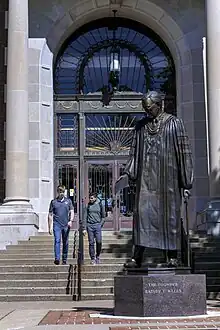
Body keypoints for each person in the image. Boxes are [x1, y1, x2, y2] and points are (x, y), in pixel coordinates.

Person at [115, 91, 193, 268]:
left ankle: (172, 256)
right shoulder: (141, 126)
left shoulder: (175, 123)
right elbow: (134, 153)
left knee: (169, 218)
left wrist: (186, 181)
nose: (147, 112)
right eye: (145, 109)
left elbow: (184, 153)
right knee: (142, 215)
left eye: (150, 108)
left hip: (168, 181)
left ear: (159, 105)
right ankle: (137, 257)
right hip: (146, 182)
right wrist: (128, 173)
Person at [48, 185, 74, 265]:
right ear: (57, 192)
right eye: (60, 192)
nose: (61, 193)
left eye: (63, 192)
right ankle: (57, 258)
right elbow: (50, 214)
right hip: (57, 224)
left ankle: (64, 258)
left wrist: (71, 220)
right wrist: (50, 227)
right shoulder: (53, 202)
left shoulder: (68, 201)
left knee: (65, 242)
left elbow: (72, 211)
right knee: (57, 240)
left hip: (66, 224)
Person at [83, 192, 106, 265]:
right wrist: (84, 228)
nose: (90, 199)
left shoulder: (100, 204)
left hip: (97, 225)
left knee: (99, 242)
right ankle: (92, 258)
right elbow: (85, 217)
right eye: (90, 198)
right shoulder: (88, 206)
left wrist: (100, 224)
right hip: (90, 226)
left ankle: (98, 256)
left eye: (92, 198)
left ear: (95, 198)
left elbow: (103, 216)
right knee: (91, 243)